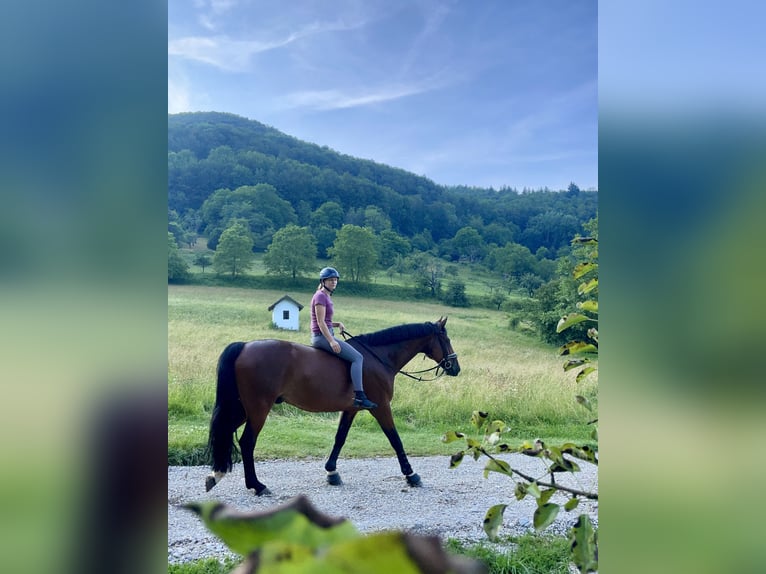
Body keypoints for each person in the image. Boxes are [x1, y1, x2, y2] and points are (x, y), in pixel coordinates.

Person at [310, 267, 377, 410]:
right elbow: (320, 322)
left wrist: (337, 324)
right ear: (323, 281)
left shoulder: (326, 296)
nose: (334, 282)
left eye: (335, 280)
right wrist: (331, 341)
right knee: (357, 358)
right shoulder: (320, 296)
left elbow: (325, 321)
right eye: (331, 280)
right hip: (321, 337)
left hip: (326, 333)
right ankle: (359, 396)